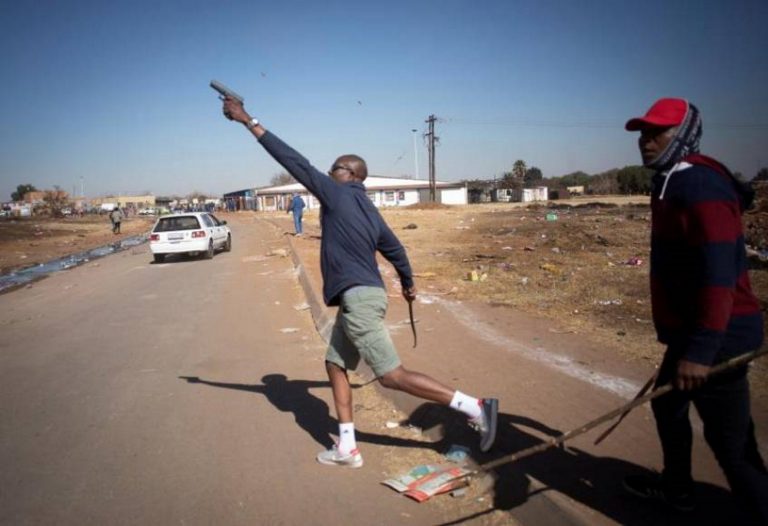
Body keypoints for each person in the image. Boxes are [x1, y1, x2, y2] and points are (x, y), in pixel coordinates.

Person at [221, 97, 499, 468]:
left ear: (350, 174)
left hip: (359, 298)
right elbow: (396, 249)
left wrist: (246, 120)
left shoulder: (336, 194)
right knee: (335, 365)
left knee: (390, 376)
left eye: (334, 167)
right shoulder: (370, 210)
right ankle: (347, 447)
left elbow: (293, 161)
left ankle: (475, 407)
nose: (328, 171)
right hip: (364, 296)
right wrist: (407, 282)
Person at [622, 98, 767, 520]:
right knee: (667, 405)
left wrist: (701, 352)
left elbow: (719, 275)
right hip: (693, 333)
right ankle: (677, 488)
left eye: (657, 133)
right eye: (643, 134)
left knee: (732, 446)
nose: (646, 142)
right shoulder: (669, 182)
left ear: (683, 135)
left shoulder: (700, 185)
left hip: (720, 337)